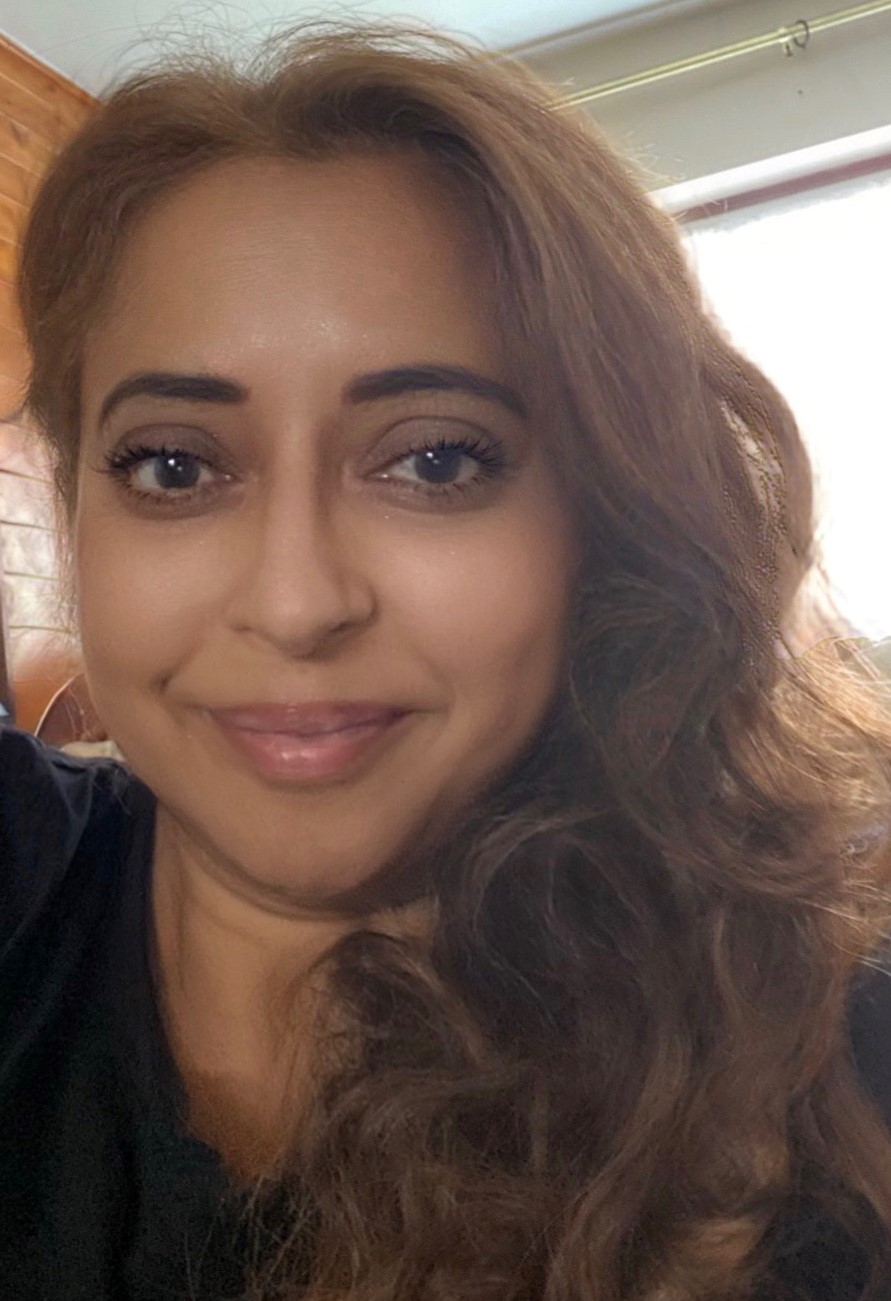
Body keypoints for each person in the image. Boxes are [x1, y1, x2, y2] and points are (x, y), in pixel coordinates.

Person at [2, 22, 891, 1301]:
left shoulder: (834, 1077)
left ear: (605, 517)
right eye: (176, 466)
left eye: (435, 459)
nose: (296, 603)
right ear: (76, 510)